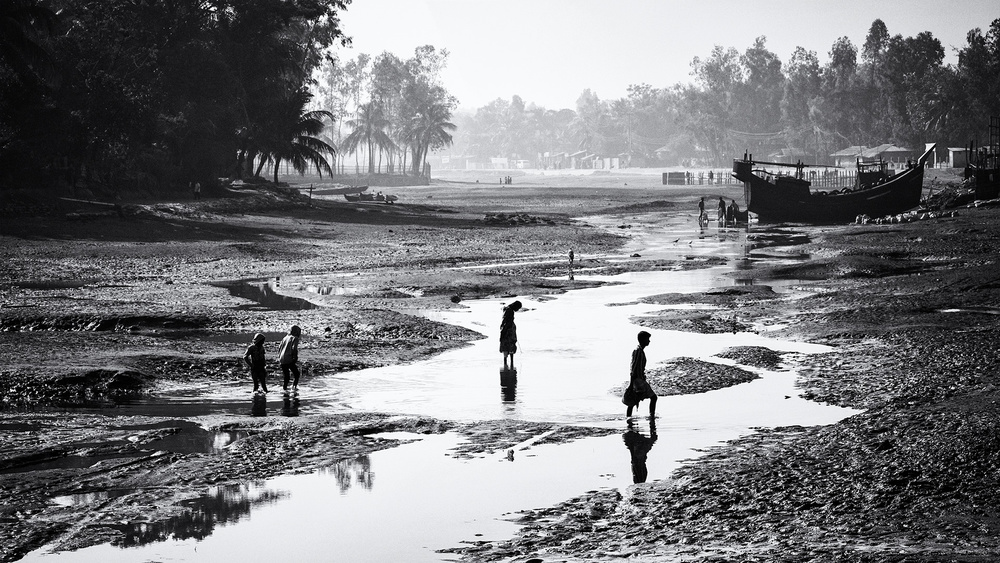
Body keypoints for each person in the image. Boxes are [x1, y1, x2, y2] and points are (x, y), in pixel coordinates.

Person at [625, 330, 656, 418]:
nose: (649, 341)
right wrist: (631, 384)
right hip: (637, 380)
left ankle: (629, 420)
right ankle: (652, 417)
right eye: (647, 339)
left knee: (633, 400)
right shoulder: (638, 351)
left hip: (638, 379)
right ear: (643, 340)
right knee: (653, 398)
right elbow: (633, 368)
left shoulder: (639, 350)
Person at [277, 325, 301, 391]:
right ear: (296, 332)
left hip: (282, 358)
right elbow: (294, 348)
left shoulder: (285, 337)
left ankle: (284, 388)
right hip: (289, 358)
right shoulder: (295, 338)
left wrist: (279, 357)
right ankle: (294, 387)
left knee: (286, 376)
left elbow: (279, 348)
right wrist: (295, 357)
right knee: (296, 374)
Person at [499, 300, 522, 369]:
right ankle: (511, 364)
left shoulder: (507, 309)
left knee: (505, 347)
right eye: (517, 308)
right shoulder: (510, 311)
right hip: (508, 331)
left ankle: (506, 365)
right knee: (510, 345)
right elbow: (507, 322)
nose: (517, 310)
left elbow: (505, 321)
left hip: (506, 330)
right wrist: (504, 332)